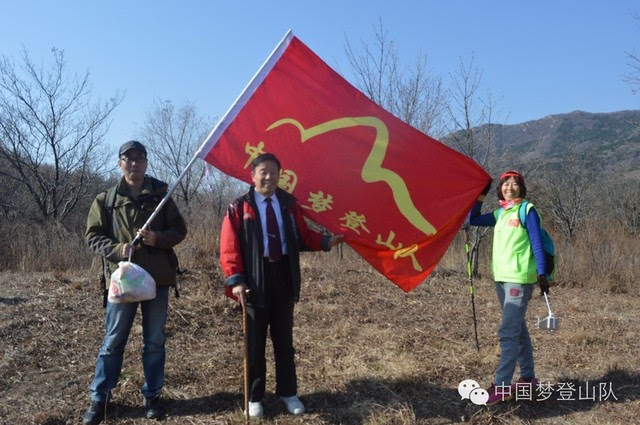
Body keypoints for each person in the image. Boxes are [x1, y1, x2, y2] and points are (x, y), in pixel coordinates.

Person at [219, 153, 344, 418]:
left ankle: (288, 393)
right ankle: (254, 397)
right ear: (252, 176)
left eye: (273, 172)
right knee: (255, 343)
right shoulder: (239, 207)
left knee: (284, 342)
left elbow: (303, 236)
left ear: (280, 176)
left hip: (283, 276)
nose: (268, 177)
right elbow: (229, 248)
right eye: (263, 172)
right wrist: (236, 280)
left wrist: (324, 242)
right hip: (254, 280)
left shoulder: (288, 204)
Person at [83, 140, 187, 424]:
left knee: (154, 342)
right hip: (122, 281)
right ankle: (99, 398)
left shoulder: (161, 195)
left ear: (146, 163)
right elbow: (92, 236)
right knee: (113, 341)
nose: (135, 163)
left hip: (156, 279)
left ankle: (152, 396)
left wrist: (158, 239)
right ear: (120, 163)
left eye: (140, 158)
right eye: (129, 159)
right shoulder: (106, 200)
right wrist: (118, 250)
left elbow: (180, 229)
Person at [468, 170, 550, 405]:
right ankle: (528, 378)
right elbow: (473, 219)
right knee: (518, 328)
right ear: (500, 189)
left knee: (507, 332)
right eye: (505, 184)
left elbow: (536, 241)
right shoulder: (501, 213)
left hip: (519, 279)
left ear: (521, 188)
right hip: (501, 279)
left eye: (514, 184)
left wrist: (542, 274)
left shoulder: (527, 210)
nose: (509, 187)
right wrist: (481, 194)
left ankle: (502, 386)